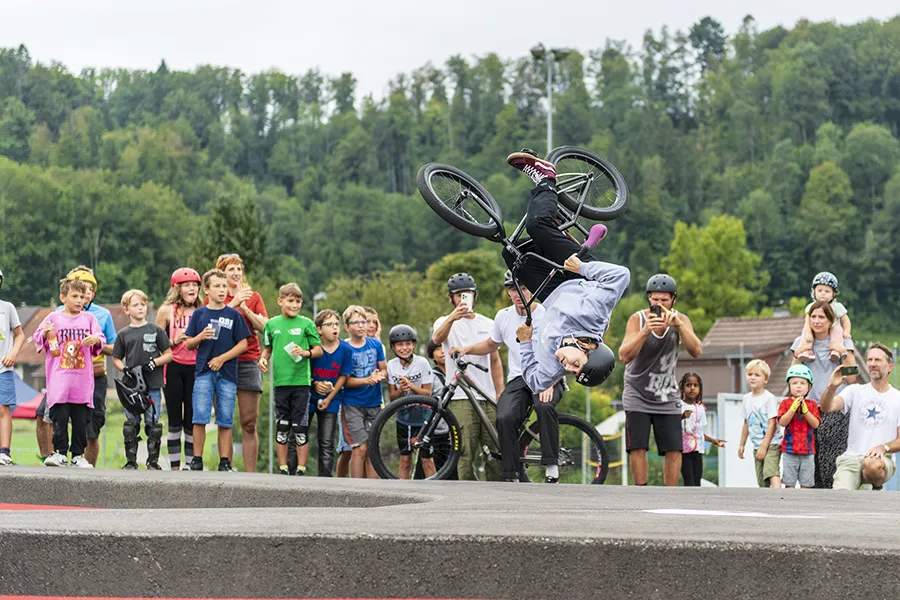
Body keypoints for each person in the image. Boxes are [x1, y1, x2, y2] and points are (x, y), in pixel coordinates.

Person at [502, 153, 629, 398]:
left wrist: (526, 344)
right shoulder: (594, 314)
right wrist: (581, 267)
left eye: (571, 371)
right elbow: (621, 276)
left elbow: (536, 383)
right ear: (588, 349)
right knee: (537, 226)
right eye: (576, 364)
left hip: (552, 293)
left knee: (511, 255)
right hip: (577, 277)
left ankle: (554, 221)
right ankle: (546, 178)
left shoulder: (553, 364)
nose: (566, 367)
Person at [452, 271, 562, 483]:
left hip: (548, 374)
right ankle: (511, 474)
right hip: (519, 378)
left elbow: (560, 349)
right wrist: (467, 349)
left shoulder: (548, 314)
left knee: (544, 406)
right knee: (504, 417)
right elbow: (492, 344)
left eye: (525, 287)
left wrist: (551, 381)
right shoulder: (503, 316)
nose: (520, 293)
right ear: (509, 293)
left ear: (534, 288)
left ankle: (551, 465)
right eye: (514, 289)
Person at [618, 273, 701, 486]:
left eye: (664, 300)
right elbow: (624, 355)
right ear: (649, 298)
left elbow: (696, 351)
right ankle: (641, 490)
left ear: (673, 300)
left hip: (666, 394)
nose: (659, 304)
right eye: (655, 300)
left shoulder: (681, 320)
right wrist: (644, 332)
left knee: (674, 447)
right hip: (637, 392)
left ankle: (669, 493)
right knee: (638, 446)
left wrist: (680, 327)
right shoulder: (638, 319)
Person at [36, 267, 118, 467]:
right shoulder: (53, 317)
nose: (80, 300)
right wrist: (45, 334)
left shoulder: (90, 319)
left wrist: (95, 340)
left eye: (83, 296)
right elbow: (38, 338)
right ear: (63, 297)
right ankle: (60, 453)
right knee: (60, 418)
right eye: (75, 296)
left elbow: (101, 338)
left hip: (82, 381)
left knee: (81, 420)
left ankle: (78, 455)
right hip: (59, 380)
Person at [432, 273, 503, 481]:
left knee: (495, 450)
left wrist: (500, 391)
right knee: (464, 451)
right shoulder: (444, 322)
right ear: (451, 298)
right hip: (460, 396)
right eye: (459, 295)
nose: (464, 298)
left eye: (468, 295)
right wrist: (454, 316)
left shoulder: (488, 323)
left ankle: (500, 492)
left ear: (475, 296)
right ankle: (468, 496)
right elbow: (436, 338)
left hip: (487, 394)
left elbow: (495, 360)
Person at [184, 268, 251, 472]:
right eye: (217, 286)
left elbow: (243, 344)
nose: (222, 290)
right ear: (206, 289)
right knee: (200, 416)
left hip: (227, 373)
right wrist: (200, 337)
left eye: (224, 286)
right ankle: (196, 459)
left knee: (225, 418)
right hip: (204, 372)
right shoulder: (199, 314)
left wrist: (222, 359)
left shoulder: (233, 314)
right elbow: (188, 344)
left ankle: (225, 461)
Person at [790, 300, 858, 488]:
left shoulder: (843, 341)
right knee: (809, 463)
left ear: (831, 320)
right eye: (813, 316)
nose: (817, 321)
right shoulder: (801, 342)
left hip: (835, 407)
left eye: (822, 317)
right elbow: (792, 376)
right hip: (808, 408)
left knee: (831, 462)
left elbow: (852, 377)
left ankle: (833, 502)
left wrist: (843, 352)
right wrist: (798, 353)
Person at [259, 283, 322, 475]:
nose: (295, 305)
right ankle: (283, 467)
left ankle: (301, 469)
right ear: (280, 301)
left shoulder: (307, 324)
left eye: (298, 301)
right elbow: (268, 348)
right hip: (280, 383)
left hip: (301, 383)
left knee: (300, 428)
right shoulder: (271, 325)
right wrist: (263, 358)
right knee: (282, 427)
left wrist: (305, 352)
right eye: (290, 301)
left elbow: (318, 350)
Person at [819, 343, 900, 491]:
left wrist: (884, 447)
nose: (872, 364)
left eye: (877, 360)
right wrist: (832, 386)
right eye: (869, 360)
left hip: (881, 460)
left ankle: (877, 484)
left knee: (871, 465)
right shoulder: (855, 391)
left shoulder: (897, 398)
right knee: (840, 497)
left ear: (890, 366)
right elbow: (826, 407)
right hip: (851, 458)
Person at [215, 254, 268, 472]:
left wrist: (246, 308)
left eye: (238, 269)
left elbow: (265, 327)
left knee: (249, 422)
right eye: (230, 269)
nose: (235, 273)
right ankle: (225, 466)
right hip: (222, 362)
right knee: (224, 419)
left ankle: (250, 474)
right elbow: (213, 327)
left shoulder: (253, 296)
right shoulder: (216, 296)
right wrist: (233, 304)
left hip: (248, 361)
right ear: (221, 274)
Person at [112, 289, 173, 470]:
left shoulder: (156, 331)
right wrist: (124, 368)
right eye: (135, 305)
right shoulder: (123, 334)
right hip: (132, 387)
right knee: (131, 424)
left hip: (153, 385)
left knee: (153, 424)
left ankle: (152, 462)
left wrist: (155, 362)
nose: (140, 308)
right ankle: (131, 462)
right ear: (127, 310)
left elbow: (169, 355)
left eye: (143, 304)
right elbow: (115, 358)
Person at [156, 267, 202, 470]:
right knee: (175, 420)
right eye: (187, 285)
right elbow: (156, 341)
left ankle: (190, 464)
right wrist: (174, 341)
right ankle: (175, 467)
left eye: (195, 285)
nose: (192, 288)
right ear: (178, 288)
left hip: (196, 368)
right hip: (173, 366)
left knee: (191, 419)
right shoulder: (166, 310)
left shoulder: (203, 310)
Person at [341, 305, 387, 479]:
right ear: (347, 327)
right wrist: (366, 380)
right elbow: (345, 380)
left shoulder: (375, 344)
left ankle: (373, 490)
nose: (361, 326)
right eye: (355, 322)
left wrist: (379, 376)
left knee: (373, 449)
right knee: (360, 448)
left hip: (374, 402)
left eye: (363, 321)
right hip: (352, 404)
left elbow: (383, 369)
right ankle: (356, 490)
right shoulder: (345, 348)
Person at [307, 309, 353, 476]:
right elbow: (303, 371)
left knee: (326, 442)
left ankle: (325, 479)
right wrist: (315, 384)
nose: (335, 328)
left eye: (336, 324)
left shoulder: (346, 349)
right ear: (319, 329)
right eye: (329, 324)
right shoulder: (312, 348)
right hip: (309, 397)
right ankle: (295, 474)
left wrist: (329, 397)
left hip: (331, 400)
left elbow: (344, 375)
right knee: (299, 436)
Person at [386, 324, 434, 479]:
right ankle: (403, 491)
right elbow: (392, 397)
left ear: (414, 344)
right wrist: (401, 389)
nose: (404, 348)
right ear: (393, 347)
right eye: (400, 345)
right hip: (404, 418)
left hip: (423, 417)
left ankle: (434, 488)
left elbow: (428, 394)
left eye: (408, 344)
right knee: (405, 460)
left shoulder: (422, 363)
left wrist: (411, 386)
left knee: (427, 460)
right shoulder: (391, 366)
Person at [737, 359, 783, 488]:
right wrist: (742, 444)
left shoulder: (769, 398)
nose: (753, 377)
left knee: (771, 471)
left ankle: (780, 498)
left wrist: (764, 446)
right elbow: (746, 423)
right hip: (757, 444)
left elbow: (772, 423)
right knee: (762, 479)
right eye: (750, 374)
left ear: (765, 380)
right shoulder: (746, 399)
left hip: (771, 443)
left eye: (757, 375)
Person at [777, 365, 820, 489]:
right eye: (794, 383)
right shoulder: (785, 403)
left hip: (808, 451)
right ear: (789, 386)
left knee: (806, 484)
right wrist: (792, 409)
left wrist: (806, 411)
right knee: (789, 483)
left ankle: (804, 506)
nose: (799, 386)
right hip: (790, 450)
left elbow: (815, 424)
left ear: (809, 387)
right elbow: (782, 422)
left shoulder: (812, 404)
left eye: (802, 383)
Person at [795, 272, 852, 363]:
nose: (823, 294)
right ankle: (807, 352)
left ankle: (835, 352)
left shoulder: (846, 342)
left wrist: (846, 333)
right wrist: (797, 352)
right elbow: (793, 373)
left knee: (837, 331)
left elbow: (851, 375)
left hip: (836, 375)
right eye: (820, 291)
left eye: (827, 291)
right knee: (806, 332)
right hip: (810, 376)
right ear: (814, 292)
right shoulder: (799, 342)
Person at [679, 373, 724, 487]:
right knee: (689, 482)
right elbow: (672, 426)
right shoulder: (678, 406)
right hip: (683, 451)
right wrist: (681, 417)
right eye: (689, 385)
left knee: (697, 482)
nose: (692, 388)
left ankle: (696, 503)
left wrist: (713, 441)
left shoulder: (700, 408)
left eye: (695, 385)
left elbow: (699, 433)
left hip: (697, 450)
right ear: (682, 388)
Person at [0, 268, 25, 466]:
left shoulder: (7, 308)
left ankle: (4, 452)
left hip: (2, 367)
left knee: (3, 408)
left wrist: (13, 353)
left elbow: (20, 334)